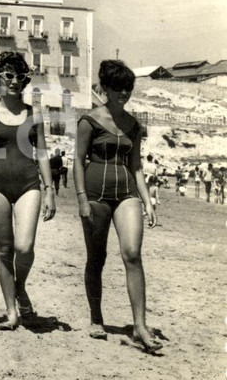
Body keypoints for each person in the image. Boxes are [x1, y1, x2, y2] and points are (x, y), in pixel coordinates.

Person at [73, 60, 161, 352]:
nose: (124, 93)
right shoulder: (90, 120)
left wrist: (147, 201)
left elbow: (136, 166)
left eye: (128, 88)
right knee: (96, 258)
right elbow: (77, 161)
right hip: (95, 194)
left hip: (126, 193)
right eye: (118, 87)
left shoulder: (134, 125)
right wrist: (82, 199)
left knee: (132, 254)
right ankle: (96, 318)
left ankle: (140, 326)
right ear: (105, 88)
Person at [0, 51, 55, 331]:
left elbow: (42, 153)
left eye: (20, 76)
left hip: (28, 184)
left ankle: (20, 288)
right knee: (5, 249)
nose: (14, 81)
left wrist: (50, 190)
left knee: (25, 246)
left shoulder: (33, 114)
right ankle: (11, 311)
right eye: (8, 75)